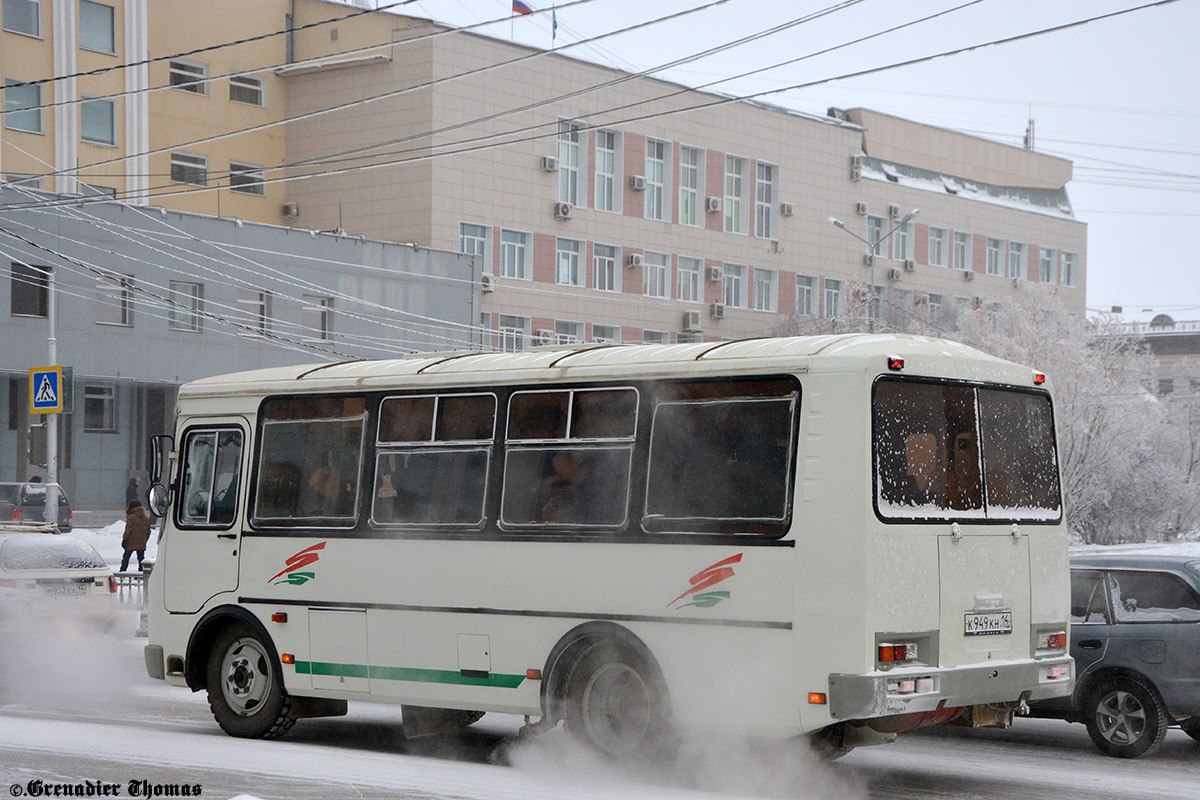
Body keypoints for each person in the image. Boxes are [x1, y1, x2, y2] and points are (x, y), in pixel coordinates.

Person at [120, 500, 152, 572]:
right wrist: (144, 540)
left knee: (126, 557)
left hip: (131, 541)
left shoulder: (131, 517)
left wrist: (124, 540)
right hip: (141, 541)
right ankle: (141, 572)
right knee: (141, 558)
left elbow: (128, 530)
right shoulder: (146, 518)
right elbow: (148, 532)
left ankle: (122, 571)